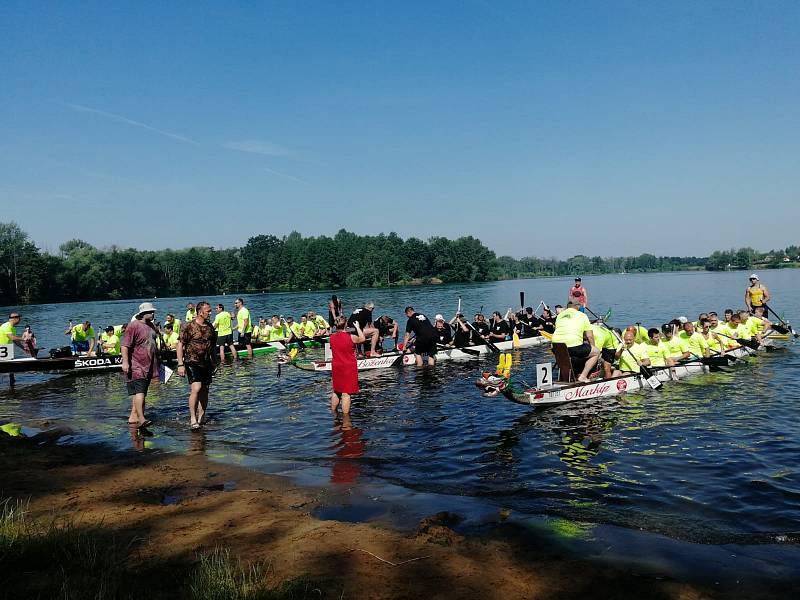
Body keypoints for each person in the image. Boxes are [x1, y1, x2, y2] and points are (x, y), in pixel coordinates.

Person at [176, 301, 218, 430]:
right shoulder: (188, 326)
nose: (210, 313)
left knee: (205, 390)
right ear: (200, 312)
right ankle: (193, 418)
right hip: (191, 361)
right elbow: (180, 345)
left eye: (210, 311)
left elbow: (212, 347)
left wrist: (215, 362)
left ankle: (201, 417)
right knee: (196, 388)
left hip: (206, 363)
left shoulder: (210, 327)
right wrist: (180, 364)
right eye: (208, 311)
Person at [121, 302, 159, 430]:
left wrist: (159, 361)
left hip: (149, 365)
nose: (153, 314)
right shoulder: (134, 326)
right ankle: (142, 419)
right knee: (140, 392)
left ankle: (133, 418)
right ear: (143, 313)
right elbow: (125, 345)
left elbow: (154, 344)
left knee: (142, 393)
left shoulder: (152, 326)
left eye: (153, 312)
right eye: (150, 312)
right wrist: (125, 362)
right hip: (136, 365)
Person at [551, 300, 599, 382]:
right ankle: (583, 376)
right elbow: (589, 336)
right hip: (573, 345)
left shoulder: (559, 316)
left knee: (568, 356)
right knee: (596, 352)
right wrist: (593, 347)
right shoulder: (582, 315)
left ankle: (564, 377)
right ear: (578, 306)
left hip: (555, 345)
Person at [329, 317, 365, 415]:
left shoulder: (331, 337)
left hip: (336, 366)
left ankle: (334, 414)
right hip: (348, 367)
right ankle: (346, 419)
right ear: (345, 325)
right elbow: (362, 339)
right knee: (346, 393)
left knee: (336, 391)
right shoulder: (351, 337)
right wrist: (357, 327)